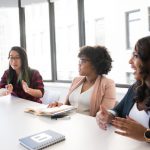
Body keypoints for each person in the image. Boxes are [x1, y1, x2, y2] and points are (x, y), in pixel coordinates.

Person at [96, 36, 150, 142]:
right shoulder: (136, 87)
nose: (130, 61)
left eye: (135, 56)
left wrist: (146, 134)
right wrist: (109, 115)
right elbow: (118, 110)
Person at [48, 45, 116, 117]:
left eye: (83, 61)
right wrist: (60, 106)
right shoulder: (76, 80)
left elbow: (104, 115)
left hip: (89, 126)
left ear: (95, 64)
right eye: (80, 60)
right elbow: (71, 106)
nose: (79, 64)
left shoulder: (108, 84)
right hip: (69, 122)